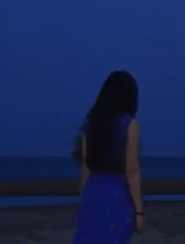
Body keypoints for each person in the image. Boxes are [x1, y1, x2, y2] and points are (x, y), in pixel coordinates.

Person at [72, 70, 145, 243]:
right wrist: (139, 211)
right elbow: (131, 170)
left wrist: (84, 202)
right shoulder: (130, 124)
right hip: (116, 195)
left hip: (92, 194)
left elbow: (85, 170)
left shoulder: (91, 124)